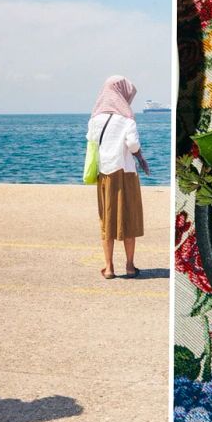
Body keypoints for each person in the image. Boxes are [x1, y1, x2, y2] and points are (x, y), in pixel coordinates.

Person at [86, 75, 149, 279]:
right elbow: (133, 145)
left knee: (107, 221)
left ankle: (109, 268)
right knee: (128, 219)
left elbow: (92, 142)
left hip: (105, 175)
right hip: (127, 174)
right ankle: (130, 266)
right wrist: (138, 153)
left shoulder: (95, 119)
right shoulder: (126, 118)